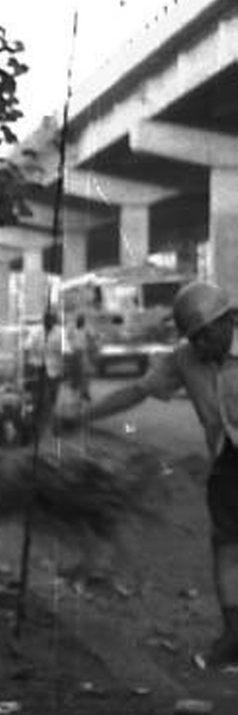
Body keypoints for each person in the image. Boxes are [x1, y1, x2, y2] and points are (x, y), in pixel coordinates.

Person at [68, 278, 238, 662]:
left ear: (230, 321)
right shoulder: (186, 358)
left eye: (206, 336)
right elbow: (137, 391)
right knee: (227, 545)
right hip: (227, 461)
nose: (201, 346)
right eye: (194, 339)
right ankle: (233, 634)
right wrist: (82, 416)